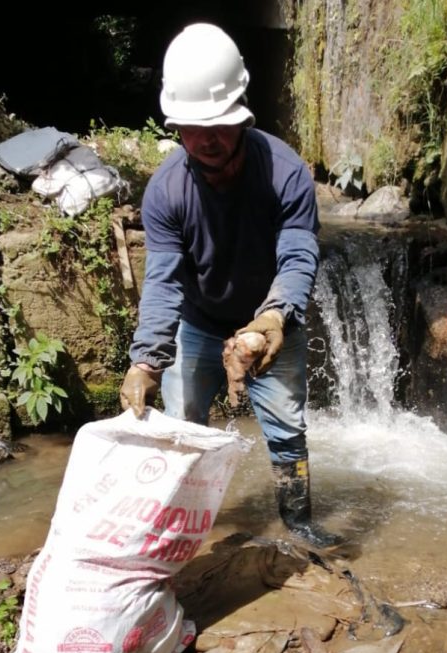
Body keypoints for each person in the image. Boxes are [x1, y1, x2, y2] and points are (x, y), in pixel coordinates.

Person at [120, 22, 340, 548]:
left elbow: (298, 250)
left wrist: (274, 317)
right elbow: (164, 281)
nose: (206, 139)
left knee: (286, 426)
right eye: (192, 127)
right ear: (175, 126)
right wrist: (146, 360)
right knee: (184, 424)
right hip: (198, 322)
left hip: (269, 321)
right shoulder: (167, 192)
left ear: (242, 114)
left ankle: (298, 523)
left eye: (217, 125)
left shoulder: (285, 174)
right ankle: (186, 528)